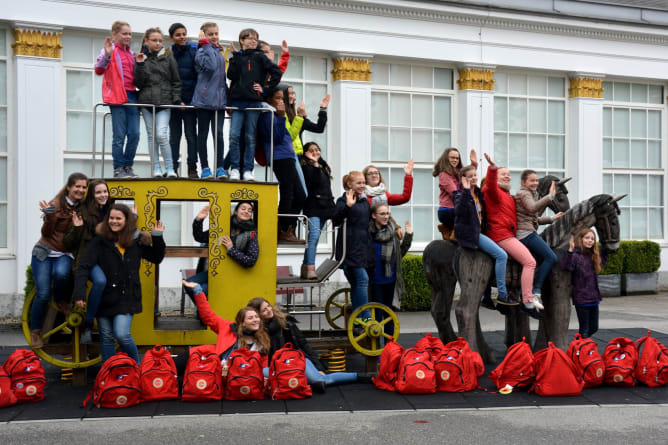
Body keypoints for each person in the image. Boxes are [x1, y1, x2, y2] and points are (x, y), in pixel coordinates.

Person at [73, 204, 166, 363]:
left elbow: (156, 258)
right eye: (111, 218)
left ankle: (136, 369)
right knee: (107, 337)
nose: (114, 221)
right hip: (105, 297)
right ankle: (109, 373)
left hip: (127, 296)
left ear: (127, 220)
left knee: (122, 334)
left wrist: (157, 237)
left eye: (118, 218)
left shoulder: (137, 241)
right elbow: (84, 267)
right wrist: (80, 293)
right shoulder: (99, 241)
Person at [248, 298, 365, 393]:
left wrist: (319, 367)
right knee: (260, 375)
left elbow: (303, 344)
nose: (269, 310)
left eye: (268, 306)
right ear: (258, 314)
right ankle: (306, 382)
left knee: (322, 379)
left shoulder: (286, 322)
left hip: (295, 361)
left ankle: (359, 377)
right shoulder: (257, 330)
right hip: (276, 367)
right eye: (264, 310)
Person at [29, 173, 88, 348]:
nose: (81, 190)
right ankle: (36, 332)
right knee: (43, 294)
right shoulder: (55, 204)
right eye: (77, 186)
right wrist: (50, 216)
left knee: (62, 274)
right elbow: (46, 233)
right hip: (44, 252)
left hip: (64, 253)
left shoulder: (82, 207)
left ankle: (61, 301)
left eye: (84, 187)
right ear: (69, 187)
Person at [481, 153, 540, 317]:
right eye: (503, 174)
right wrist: (492, 168)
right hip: (501, 235)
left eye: (508, 174)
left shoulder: (507, 195)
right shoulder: (492, 190)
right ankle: (527, 301)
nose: (507, 176)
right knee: (530, 262)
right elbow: (490, 185)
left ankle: (516, 291)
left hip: (508, 234)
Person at [178, 281, 270, 373]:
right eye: (250, 318)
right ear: (242, 323)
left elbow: (263, 367)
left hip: (237, 378)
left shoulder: (262, 340)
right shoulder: (228, 327)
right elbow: (208, 315)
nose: (255, 320)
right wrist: (197, 290)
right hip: (211, 364)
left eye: (257, 317)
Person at [227, 28, 282, 181]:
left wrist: (265, 89)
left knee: (250, 137)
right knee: (234, 136)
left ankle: (248, 170)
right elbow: (231, 75)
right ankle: (235, 169)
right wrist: (235, 56)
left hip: (254, 102)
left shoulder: (260, 57)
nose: (252, 41)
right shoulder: (237, 57)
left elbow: (276, 72)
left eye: (255, 39)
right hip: (238, 102)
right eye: (249, 38)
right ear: (242, 40)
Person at [64, 179, 114, 344]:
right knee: (100, 281)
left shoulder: (111, 210)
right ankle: (87, 323)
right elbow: (68, 242)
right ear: (92, 195)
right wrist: (77, 228)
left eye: (105, 191)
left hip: (107, 258)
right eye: (98, 192)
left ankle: (107, 321)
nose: (103, 195)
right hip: (89, 259)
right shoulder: (81, 212)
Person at [453, 165, 509, 305]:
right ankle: (502, 295)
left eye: (475, 175)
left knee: (493, 256)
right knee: (502, 255)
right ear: (463, 179)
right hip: (470, 235)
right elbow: (460, 211)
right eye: (470, 176)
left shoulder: (479, 193)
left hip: (480, 232)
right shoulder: (459, 194)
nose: (473, 178)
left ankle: (487, 295)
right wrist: (466, 190)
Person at [257, 88, 306, 243]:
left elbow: (287, 135)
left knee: (300, 195)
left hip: (287, 155)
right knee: (288, 193)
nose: (281, 102)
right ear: (270, 99)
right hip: (279, 157)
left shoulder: (277, 113)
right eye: (277, 98)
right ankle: (284, 230)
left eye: (282, 98)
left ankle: (286, 228)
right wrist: (279, 116)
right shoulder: (267, 114)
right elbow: (275, 137)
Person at [134, 27, 182, 178]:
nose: (158, 43)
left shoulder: (168, 56)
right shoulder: (141, 57)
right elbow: (138, 83)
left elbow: (176, 80)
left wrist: (176, 99)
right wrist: (140, 65)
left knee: (161, 134)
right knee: (151, 136)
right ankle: (155, 168)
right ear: (146, 41)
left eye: (160, 40)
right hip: (147, 101)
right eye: (154, 40)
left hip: (164, 101)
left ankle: (170, 168)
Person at [95, 21, 139, 178]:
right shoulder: (110, 50)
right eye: (124, 33)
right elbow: (98, 70)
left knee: (135, 133)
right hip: (117, 95)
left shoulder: (132, 53)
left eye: (129, 34)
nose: (128, 36)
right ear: (115, 34)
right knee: (119, 134)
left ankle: (128, 166)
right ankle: (118, 168)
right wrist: (107, 55)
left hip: (132, 95)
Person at [186, 201, 259, 296]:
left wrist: (231, 249)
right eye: (243, 208)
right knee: (189, 285)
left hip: (234, 273)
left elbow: (251, 260)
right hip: (215, 271)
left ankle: (204, 309)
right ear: (236, 211)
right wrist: (199, 220)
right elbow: (200, 237)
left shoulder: (252, 234)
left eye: (249, 210)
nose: (246, 212)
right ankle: (203, 308)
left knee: (202, 290)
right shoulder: (223, 227)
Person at [515, 169, 563, 310]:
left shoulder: (531, 194)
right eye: (532, 180)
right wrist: (550, 197)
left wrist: (552, 218)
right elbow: (532, 208)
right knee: (551, 257)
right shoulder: (524, 194)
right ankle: (536, 290)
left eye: (536, 180)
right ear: (524, 182)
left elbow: (533, 218)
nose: (535, 183)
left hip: (528, 230)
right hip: (525, 233)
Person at [368, 203, 413, 338]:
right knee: (377, 316)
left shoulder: (392, 233)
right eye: (382, 214)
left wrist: (409, 236)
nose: (386, 216)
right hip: (374, 281)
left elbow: (400, 253)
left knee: (389, 315)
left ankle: (389, 349)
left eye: (387, 213)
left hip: (390, 280)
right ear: (374, 216)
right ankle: (375, 350)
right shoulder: (368, 234)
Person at [332, 171, 372, 320]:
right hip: (349, 247)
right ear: (350, 184)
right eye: (359, 183)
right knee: (362, 280)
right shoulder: (343, 200)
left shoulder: (364, 201)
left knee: (356, 283)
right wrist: (348, 206)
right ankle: (365, 316)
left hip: (362, 246)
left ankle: (358, 317)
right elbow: (335, 220)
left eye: (363, 183)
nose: (362, 185)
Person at [192, 22, 227, 179]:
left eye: (216, 33)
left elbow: (222, 79)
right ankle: (205, 167)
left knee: (218, 135)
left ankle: (220, 167)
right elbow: (211, 66)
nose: (214, 37)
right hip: (204, 102)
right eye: (210, 34)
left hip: (219, 103)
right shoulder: (201, 52)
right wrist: (206, 46)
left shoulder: (220, 53)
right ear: (203, 36)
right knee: (203, 135)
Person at [561, 229, 606, 338]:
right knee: (584, 329)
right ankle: (580, 350)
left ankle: (579, 343)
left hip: (594, 298)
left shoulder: (594, 256)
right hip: (582, 299)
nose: (590, 241)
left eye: (592, 238)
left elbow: (603, 262)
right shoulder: (576, 255)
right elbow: (567, 267)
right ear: (580, 239)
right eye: (587, 238)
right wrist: (570, 250)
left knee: (594, 328)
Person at [299, 142, 335, 279]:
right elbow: (314, 182)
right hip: (313, 206)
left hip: (325, 207)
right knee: (313, 236)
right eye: (311, 150)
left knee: (315, 238)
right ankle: (310, 268)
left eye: (317, 149)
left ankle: (305, 267)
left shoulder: (324, 166)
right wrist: (314, 164)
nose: (315, 152)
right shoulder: (305, 167)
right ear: (306, 153)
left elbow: (327, 188)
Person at [168, 23, 199, 178]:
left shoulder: (194, 50)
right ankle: (172, 167)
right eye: (178, 35)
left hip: (191, 101)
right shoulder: (168, 53)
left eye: (184, 34)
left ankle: (192, 168)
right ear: (172, 37)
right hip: (174, 101)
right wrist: (176, 100)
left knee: (191, 135)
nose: (182, 37)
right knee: (174, 137)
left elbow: (199, 75)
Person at [434, 148, 477, 239]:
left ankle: (450, 230)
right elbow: (454, 193)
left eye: (457, 158)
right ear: (446, 158)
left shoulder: (457, 172)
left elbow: (468, 175)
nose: (455, 160)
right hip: (448, 210)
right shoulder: (444, 174)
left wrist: (474, 164)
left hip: (456, 208)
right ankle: (452, 233)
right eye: (452, 158)